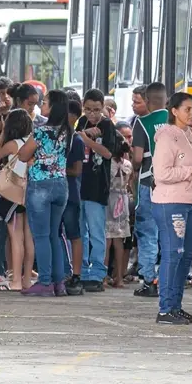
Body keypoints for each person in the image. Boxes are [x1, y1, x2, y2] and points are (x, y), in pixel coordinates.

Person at [151, 91, 192, 325]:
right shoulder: (167, 136)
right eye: (187, 109)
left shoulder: (191, 133)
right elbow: (162, 174)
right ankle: (165, 308)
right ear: (174, 111)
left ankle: (176, 306)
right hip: (171, 203)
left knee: (186, 255)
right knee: (173, 254)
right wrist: (191, 171)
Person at [17, 89, 74, 297]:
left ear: (53, 106)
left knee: (40, 236)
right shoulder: (68, 131)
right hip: (61, 185)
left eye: (45, 102)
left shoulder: (41, 131)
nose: (42, 105)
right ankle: (59, 282)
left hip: (40, 185)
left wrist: (31, 157)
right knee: (54, 235)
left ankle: (45, 281)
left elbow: (23, 155)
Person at [76, 89, 118, 293]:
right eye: (88, 109)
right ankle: (82, 270)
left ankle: (97, 272)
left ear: (103, 108)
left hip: (97, 185)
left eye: (96, 110)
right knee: (80, 231)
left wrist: (87, 141)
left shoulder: (108, 126)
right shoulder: (81, 122)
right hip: (79, 184)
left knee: (96, 231)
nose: (92, 114)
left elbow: (108, 152)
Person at [130, 81, 168, 298]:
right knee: (168, 233)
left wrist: (133, 170)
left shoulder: (141, 123)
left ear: (147, 101)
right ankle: (167, 277)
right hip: (173, 185)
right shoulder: (175, 120)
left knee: (147, 232)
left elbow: (137, 158)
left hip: (148, 181)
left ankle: (148, 279)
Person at [0, 109, 35, 291]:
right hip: (29, 194)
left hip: (13, 195)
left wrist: (2, 133)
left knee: (15, 238)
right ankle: (26, 280)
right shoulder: (33, 143)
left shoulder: (12, 144)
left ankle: (16, 280)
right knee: (28, 239)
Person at [58, 100, 86, 295]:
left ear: (75, 117)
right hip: (56, 193)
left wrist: (55, 168)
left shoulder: (76, 140)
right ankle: (60, 272)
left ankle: (76, 275)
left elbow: (76, 170)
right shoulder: (53, 137)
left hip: (71, 194)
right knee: (54, 234)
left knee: (73, 234)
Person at [106, 139, 134, 289]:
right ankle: (119, 277)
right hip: (123, 201)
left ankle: (103, 276)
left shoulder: (109, 163)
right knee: (119, 240)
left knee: (107, 239)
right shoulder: (127, 164)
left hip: (110, 199)